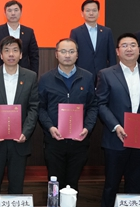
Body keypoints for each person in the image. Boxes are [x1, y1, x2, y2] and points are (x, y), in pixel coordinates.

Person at [96, 33, 140, 207]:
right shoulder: (106, 74)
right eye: (124, 45)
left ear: (139, 50)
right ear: (117, 51)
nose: (129, 49)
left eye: (133, 45)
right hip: (116, 139)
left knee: (135, 184)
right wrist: (115, 126)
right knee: (111, 185)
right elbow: (101, 104)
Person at [0, 36, 39, 207]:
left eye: (15, 50)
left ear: (21, 55)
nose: (11, 54)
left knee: (16, 188)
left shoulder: (30, 76)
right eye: (6, 50)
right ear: (1, 55)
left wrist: (26, 132)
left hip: (19, 141)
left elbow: (34, 107)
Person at [38, 38, 98, 192]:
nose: (67, 55)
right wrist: (50, 127)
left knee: (72, 185)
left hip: (79, 141)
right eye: (63, 51)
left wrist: (87, 127)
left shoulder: (87, 77)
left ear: (77, 55)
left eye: (71, 51)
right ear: (56, 54)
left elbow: (93, 106)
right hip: (54, 141)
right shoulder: (45, 78)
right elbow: (40, 108)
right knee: (54, 185)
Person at [0, 0, 39, 73]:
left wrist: (33, 75)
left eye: (16, 10)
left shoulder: (29, 32)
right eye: (9, 10)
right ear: (5, 13)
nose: (13, 13)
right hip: (1, 73)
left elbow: (34, 56)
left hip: (24, 73)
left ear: (21, 12)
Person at [69, 0, 116, 80]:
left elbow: (112, 55)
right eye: (88, 11)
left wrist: (113, 74)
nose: (91, 13)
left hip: (103, 75)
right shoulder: (76, 32)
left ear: (99, 13)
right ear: (82, 13)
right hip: (82, 75)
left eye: (94, 10)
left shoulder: (107, 31)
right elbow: (73, 54)